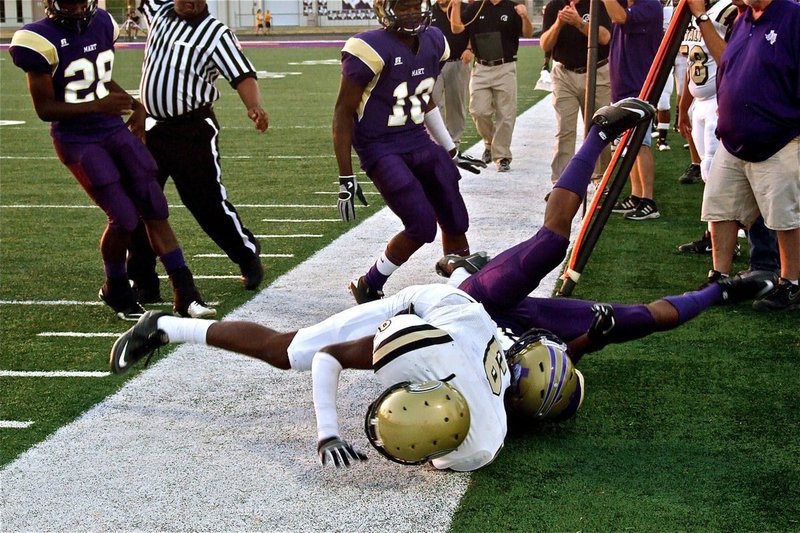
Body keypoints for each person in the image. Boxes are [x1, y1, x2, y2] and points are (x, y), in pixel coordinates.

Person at [109, 98, 770, 471]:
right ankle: (588, 141)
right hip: (468, 306)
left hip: (449, 327)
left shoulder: (484, 406)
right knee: (552, 248)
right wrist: (720, 291)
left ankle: (165, 326)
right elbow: (656, 312)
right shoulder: (546, 341)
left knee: (292, 351)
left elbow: (377, 379)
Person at [9, 0, 215, 321]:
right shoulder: (37, 38)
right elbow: (45, 109)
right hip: (77, 139)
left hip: (111, 128)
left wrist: (135, 104)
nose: (78, 9)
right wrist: (97, 106)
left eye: (82, 1)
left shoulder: (103, 23)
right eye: (70, 3)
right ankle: (116, 288)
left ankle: (185, 292)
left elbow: (99, 78)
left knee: (154, 204)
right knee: (124, 218)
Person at [333, 0, 486, 305]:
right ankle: (369, 283)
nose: (412, 13)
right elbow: (342, 113)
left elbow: (422, 97)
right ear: (385, 9)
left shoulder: (434, 41)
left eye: (416, 5)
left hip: (416, 138)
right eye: (403, 7)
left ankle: (462, 283)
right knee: (421, 225)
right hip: (379, 145)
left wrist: (450, 148)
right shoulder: (369, 48)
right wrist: (346, 177)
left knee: (452, 203)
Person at [126, 0, 269, 302]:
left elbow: (242, 74)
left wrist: (253, 106)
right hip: (151, 129)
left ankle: (246, 255)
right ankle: (143, 279)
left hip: (192, 130)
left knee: (206, 204)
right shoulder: (159, 12)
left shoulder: (216, 33)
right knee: (138, 203)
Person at [691, 0, 799, 310]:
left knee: (784, 216)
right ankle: (719, 276)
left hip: (779, 136)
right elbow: (728, 64)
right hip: (734, 137)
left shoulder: (792, 17)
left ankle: (791, 283)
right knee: (720, 207)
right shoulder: (744, 19)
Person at [449, 0, 534, 172]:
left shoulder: (512, 8)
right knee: (478, 111)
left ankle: (502, 156)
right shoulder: (475, 7)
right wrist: (456, 6)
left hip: (505, 66)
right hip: (481, 67)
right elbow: (456, 29)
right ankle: (490, 143)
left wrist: (525, 16)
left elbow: (528, 33)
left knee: (506, 113)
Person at [540, 0, 613, 186]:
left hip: (597, 71)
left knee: (598, 127)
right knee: (564, 129)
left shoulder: (598, 4)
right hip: (564, 74)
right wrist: (558, 24)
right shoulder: (554, 6)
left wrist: (579, 23)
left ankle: (600, 178)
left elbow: (605, 37)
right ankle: (561, 182)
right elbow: (545, 44)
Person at [603, 0, 663, 221]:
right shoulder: (627, 5)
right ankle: (636, 194)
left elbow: (620, 17)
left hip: (640, 86)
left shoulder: (649, 5)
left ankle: (648, 200)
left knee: (640, 144)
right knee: (628, 145)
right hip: (623, 86)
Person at [430, 0, 473, 151]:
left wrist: (469, 48)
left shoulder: (466, 9)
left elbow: (474, 31)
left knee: (456, 104)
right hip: (434, 64)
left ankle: (454, 142)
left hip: (458, 61)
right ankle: (436, 141)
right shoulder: (429, 11)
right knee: (432, 103)